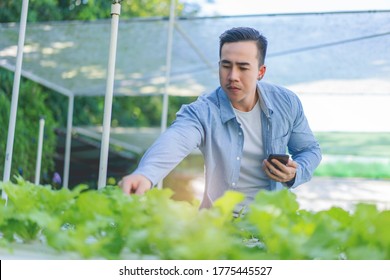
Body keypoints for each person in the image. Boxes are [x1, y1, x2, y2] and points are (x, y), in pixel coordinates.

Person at [119, 27, 322, 214]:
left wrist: (295, 173)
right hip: (220, 224)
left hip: (273, 221)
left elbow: (310, 150)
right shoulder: (203, 110)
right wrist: (145, 175)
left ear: (261, 72)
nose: (232, 76)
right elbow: (176, 139)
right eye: (226, 66)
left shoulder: (286, 102)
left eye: (243, 68)